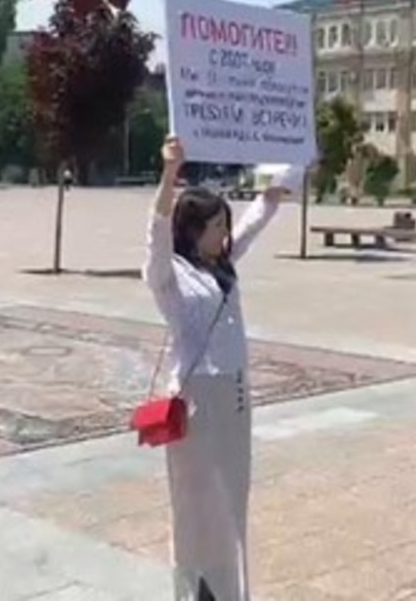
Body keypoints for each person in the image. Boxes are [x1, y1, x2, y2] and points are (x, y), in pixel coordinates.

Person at [142, 134, 286, 601]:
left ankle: (230, 591)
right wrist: (168, 175)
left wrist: (280, 183)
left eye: (224, 227)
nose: (223, 236)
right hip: (197, 401)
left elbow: (256, 220)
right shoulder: (169, 275)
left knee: (231, 501)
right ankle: (193, 593)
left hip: (235, 397)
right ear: (191, 229)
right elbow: (157, 231)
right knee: (195, 505)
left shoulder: (222, 265)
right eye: (214, 227)